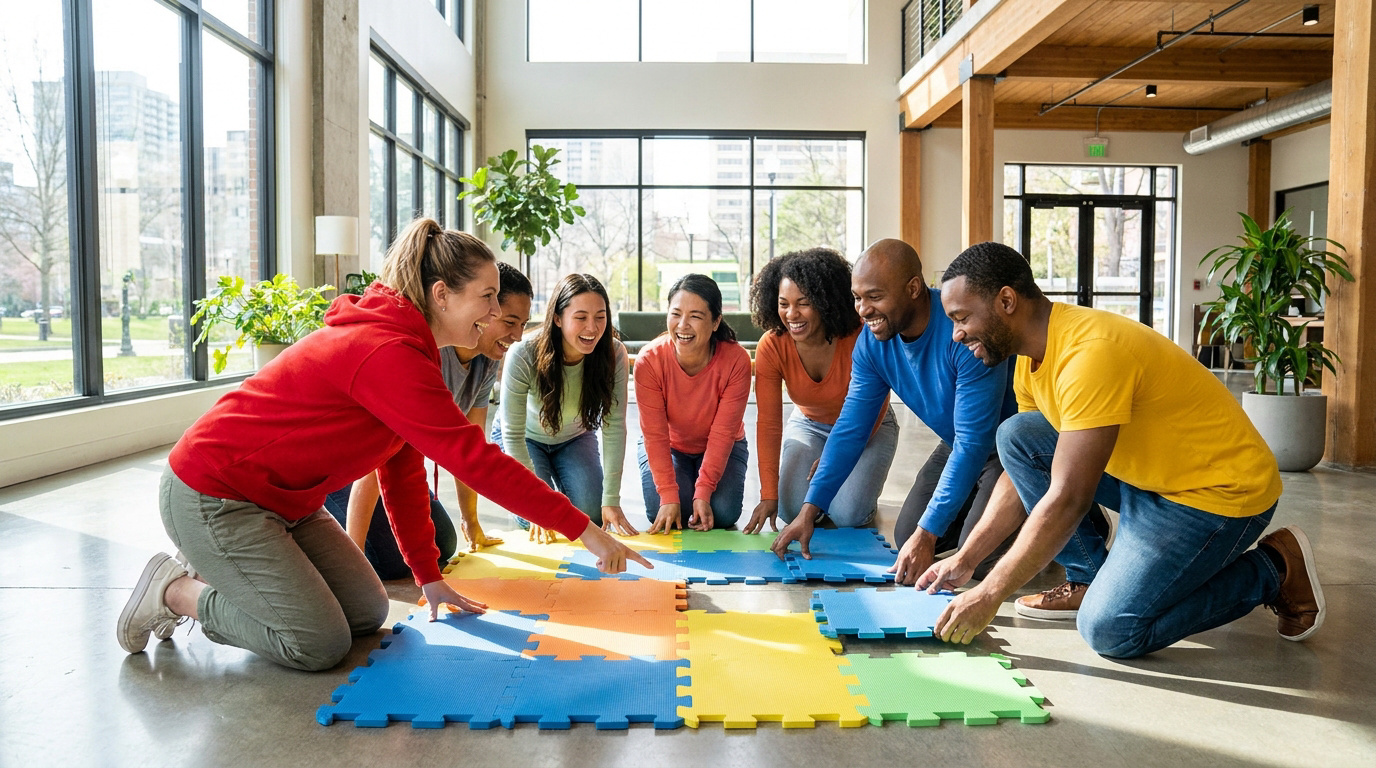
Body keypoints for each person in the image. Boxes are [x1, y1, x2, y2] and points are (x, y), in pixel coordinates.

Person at [116, 217, 650, 670]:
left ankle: (230, 575)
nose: (494, 313)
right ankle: (175, 589)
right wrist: (585, 530)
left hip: (287, 503)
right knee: (316, 644)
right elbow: (475, 459)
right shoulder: (387, 353)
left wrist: (428, 577)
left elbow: (403, 471)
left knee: (367, 612)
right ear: (442, 295)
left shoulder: (413, 353)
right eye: (486, 297)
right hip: (215, 493)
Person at [919, 240, 1321, 658]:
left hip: (1215, 496)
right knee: (1018, 435)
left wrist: (988, 594)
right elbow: (1024, 475)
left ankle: (1275, 568)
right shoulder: (1030, 356)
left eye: (962, 317)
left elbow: (1068, 498)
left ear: (1006, 300)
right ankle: (1090, 577)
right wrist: (966, 558)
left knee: (1111, 630)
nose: (956, 333)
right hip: (1151, 480)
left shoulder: (1089, 354)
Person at [770, 238, 1021, 586]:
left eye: (874, 297)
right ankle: (980, 514)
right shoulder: (872, 344)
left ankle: (1058, 513)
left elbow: (974, 443)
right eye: (857, 298)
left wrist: (929, 534)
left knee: (974, 559)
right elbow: (850, 428)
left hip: (1005, 449)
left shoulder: (962, 330)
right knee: (906, 537)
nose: (863, 310)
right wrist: (809, 511)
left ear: (913, 288)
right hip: (956, 443)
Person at [322, 261, 535, 580]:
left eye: (523, 324)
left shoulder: (486, 359)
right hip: (345, 470)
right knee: (380, 561)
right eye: (510, 322)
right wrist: (356, 566)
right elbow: (372, 468)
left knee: (443, 544)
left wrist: (471, 523)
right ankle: (313, 530)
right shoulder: (427, 352)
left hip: (397, 467)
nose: (517, 336)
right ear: (485, 311)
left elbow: (471, 448)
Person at [743, 248, 899, 533]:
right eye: (783, 304)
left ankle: (858, 493)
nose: (792, 314)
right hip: (809, 424)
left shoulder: (860, 336)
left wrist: (834, 458)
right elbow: (768, 423)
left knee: (848, 515)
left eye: (803, 303)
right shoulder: (772, 345)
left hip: (867, 427)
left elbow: (876, 400)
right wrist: (768, 494)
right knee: (791, 510)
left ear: (826, 302)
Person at [495, 273, 639, 536]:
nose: (592, 328)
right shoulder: (524, 353)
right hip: (526, 438)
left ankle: (560, 489)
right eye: (581, 317)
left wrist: (611, 499)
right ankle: (533, 491)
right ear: (558, 318)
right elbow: (512, 434)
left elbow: (614, 426)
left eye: (600, 316)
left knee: (593, 515)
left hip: (574, 437)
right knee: (538, 519)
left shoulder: (614, 354)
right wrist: (535, 503)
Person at [636, 274, 752, 533]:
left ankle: (697, 491)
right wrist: (667, 494)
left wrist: (704, 492)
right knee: (664, 510)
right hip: (671, 446)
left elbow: (723, 433)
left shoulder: (736, 360)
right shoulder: (649, 361)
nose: (683, 325)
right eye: (676, 314)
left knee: (722, 513)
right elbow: (654, 434)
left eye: (696, 316)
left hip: (725, 445)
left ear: (715, 322)